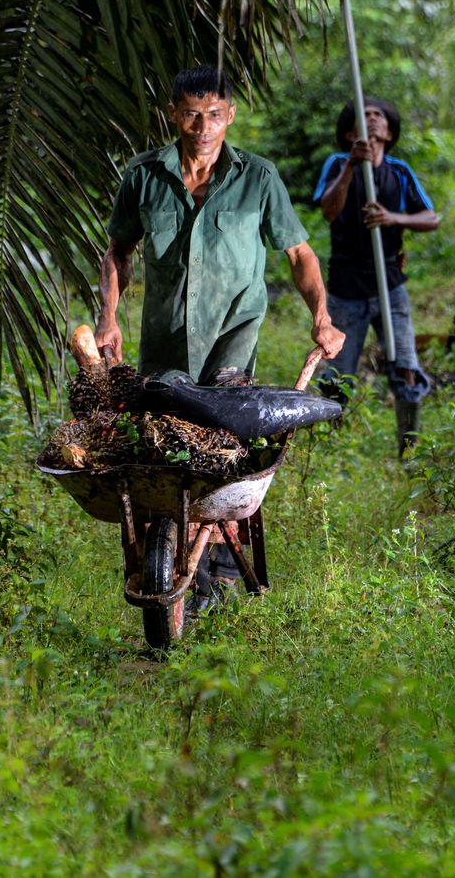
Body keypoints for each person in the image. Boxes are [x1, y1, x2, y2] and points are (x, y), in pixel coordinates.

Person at [95, 64, 345, 611]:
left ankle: (224, 564)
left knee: (227, 442)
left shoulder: (258, 178)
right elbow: (118, 251)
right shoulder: (144, 176)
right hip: (165, 340)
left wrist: (321, 316)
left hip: (234, 334)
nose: (202, 126)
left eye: (213, 114)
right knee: (167, 450)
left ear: (229, 115)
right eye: (190, 114)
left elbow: (299, 253)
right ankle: (178, 557)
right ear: (173, 115)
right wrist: (108, 317)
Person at [312, 97, 440, 455]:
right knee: (336, 377)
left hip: (390, 286)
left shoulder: (399, 172)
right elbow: (327, 211)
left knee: (406, 370)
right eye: (364, 116)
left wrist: (393, 218)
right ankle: (327, 452)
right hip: (345, 289)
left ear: (389, 128)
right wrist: (352, 165)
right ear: (351, 132)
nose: (372, 119)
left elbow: (431, 218)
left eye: (378, 115)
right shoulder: (338, 164)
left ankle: (409, 450)